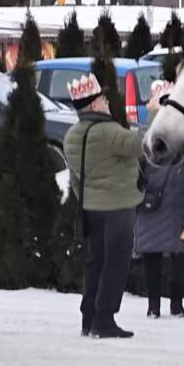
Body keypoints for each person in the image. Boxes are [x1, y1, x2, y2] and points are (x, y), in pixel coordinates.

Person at [64, 71, 144, 339]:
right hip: (118, 207)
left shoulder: (71, 135)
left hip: (91, 209)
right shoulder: (110, 132)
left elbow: (75, 178)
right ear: (94, 105)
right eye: (103, 99)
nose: (107, 102)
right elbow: (141, 145)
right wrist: (156, 115)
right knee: (116, 263)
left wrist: (87, 199)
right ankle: (104, 319)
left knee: (96, 261)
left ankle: (88, 318)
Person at [133, 82, 184, 319]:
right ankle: (158, 305)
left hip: (177, 201)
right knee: (155, 254)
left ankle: (173, 304)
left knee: (179, 255)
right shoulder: (150, 132)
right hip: (157, 200)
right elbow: (137, 161)